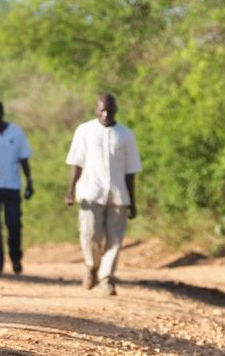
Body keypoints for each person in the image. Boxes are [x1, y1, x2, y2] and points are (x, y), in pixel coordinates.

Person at [64, 93, 142, 296]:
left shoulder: (126, 135)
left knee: (115, 240)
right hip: (91, 192)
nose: (105, 114)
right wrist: (71, 191)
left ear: (116, 110)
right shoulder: (85, 131)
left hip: (118, 195)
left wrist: (133, 202)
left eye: (109, 110)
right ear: (96, 110)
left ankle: (106, 278)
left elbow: (131, 171)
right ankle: (92, 265)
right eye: (102, 110)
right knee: (90, 235)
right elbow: (76, 163)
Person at [0, 100, 33, 276]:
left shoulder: (16, 132)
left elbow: (24, 159)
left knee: (14, 225)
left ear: (2, 113)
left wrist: (29, 182)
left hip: (12, 186)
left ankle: (15, 257)